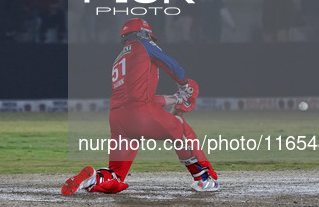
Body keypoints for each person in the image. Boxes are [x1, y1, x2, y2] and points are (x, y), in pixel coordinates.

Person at [61, 18, 218, 195]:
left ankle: (92, 179)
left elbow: (142, 98)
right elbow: (173, 66)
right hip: (140, 113)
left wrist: (175, 99)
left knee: (116, 175)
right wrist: (184, 84)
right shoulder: (142, 44)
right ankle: (203, 179)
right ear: (144, 33)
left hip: (118, 120)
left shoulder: (120, 58)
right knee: (180, 126)